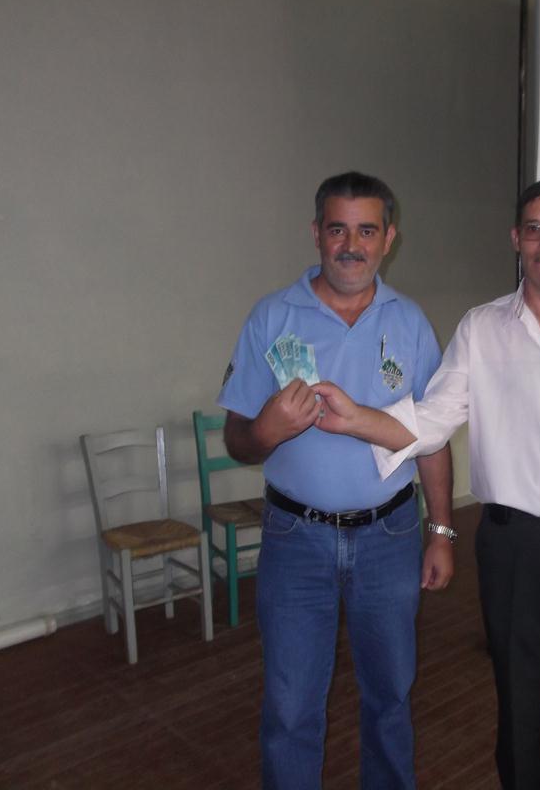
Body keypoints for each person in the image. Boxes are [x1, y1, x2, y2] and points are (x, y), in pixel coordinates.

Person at [313, 178, 540, 789]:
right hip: (514, 545)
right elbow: (433, 420)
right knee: (519, 706)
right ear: (517, 239)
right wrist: (357, 418)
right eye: (534, 229)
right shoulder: (482, 329)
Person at [217, 171, 454, 790]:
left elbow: (431, 437)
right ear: (317, 233)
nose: (352, 245)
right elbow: (237, 441)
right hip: (296, 538)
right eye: (338, 230)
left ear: (389, 238)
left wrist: (441, 531)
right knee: (291, 708)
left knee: (391, 698)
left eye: (367, 231)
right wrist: (266, 429)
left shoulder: (411, 323)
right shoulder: (272, 316)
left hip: (391, 537)